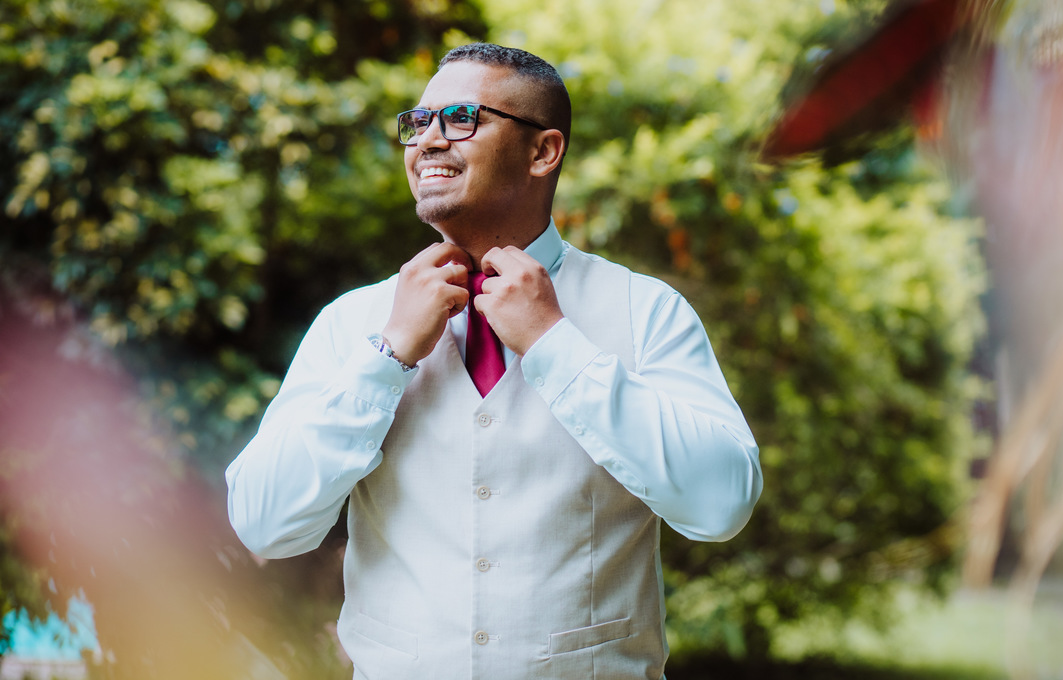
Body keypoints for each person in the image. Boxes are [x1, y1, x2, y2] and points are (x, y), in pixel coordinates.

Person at [226, 43, 762, 680]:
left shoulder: (645, 311)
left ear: (543, 151)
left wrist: (554, 344)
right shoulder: (355, 322)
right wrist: (387, 355)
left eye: (460, 118)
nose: (428, 141)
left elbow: (722, 503)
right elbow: (263, 524)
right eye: (417, 123)